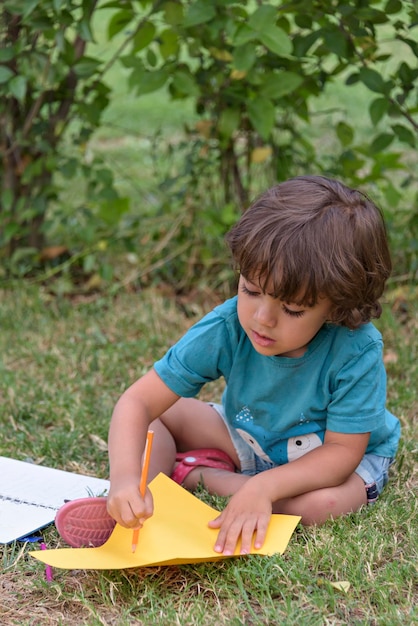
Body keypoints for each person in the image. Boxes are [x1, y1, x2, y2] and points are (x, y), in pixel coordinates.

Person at [55, 175, 400, 555]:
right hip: (251, 437)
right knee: (162, 418)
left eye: (292, 309)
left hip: (332, 458)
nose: (262, 318)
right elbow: (138, 403)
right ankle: (141, 499)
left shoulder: (357, 348)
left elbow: (340, 455)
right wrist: (123, 478)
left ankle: (202, 478)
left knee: (326, 506)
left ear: (337, 306)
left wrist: (262, 488)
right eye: (250, 290)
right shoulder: (227, 326)